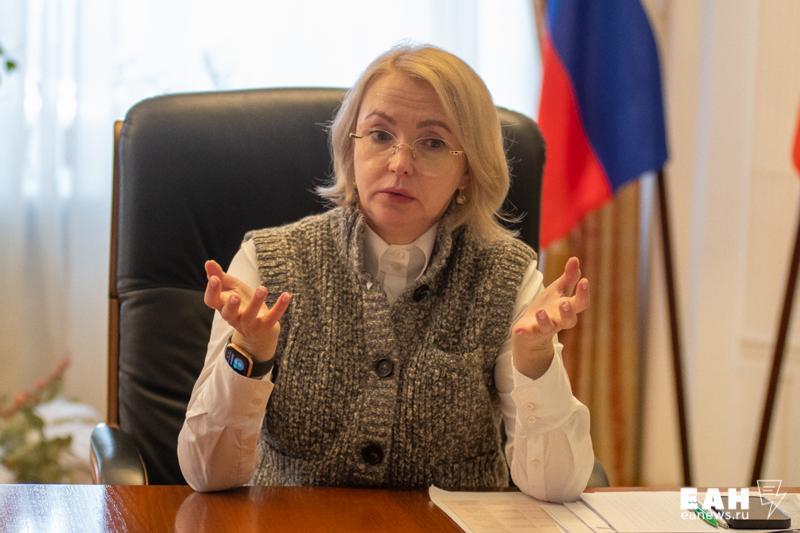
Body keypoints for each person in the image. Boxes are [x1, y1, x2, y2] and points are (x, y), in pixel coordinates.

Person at [177, 44, 594, 502]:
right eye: (379, 135)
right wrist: (250, 354)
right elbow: (205, 472)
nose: (399, 164)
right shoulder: (268, 262)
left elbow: (556, 487)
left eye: (432, 143)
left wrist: (535, 360)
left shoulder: (507, 277)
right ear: (350, 147)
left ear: (468, 171)